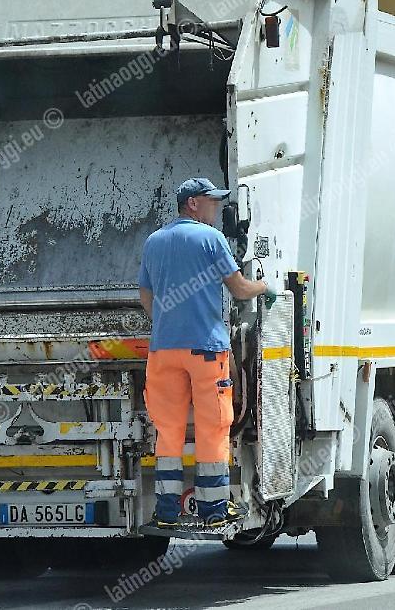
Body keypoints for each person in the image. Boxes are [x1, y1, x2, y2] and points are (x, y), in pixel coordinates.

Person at [138, 177, 274, 528]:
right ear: (193, 204)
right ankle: (214, 511)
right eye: (211, 201)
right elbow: (240, 289)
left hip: (163, 352)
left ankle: (166, 512)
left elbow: (146, 298)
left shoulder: (154, 242)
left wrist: (168, 322)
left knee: (167, 432)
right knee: (213, 429)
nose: (217, 207)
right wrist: (266, 285)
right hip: (205, 351)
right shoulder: (210, 239)